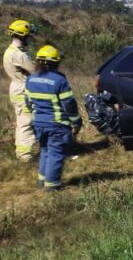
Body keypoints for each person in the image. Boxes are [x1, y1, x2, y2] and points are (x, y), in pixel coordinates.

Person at [23, 45, 82, 191]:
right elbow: (69, 104)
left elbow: (27, 102)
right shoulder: (59, 81)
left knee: (45, 150)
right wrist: (76, 121)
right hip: (57, 124)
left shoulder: (30, 79)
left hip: (39, 123)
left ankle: (42, 180)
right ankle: (52, 185)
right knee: (56, 153)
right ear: (55, 62)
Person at [3, 19, 39, 162]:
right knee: (26, 122)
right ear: (23, 35)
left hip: (17, 87)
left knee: (23, 121)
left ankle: (23, 152)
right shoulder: (19, 55)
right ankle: (24, 156)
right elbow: (35, 70)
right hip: (22, 89)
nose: (29, 38)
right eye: (28, 35)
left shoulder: (10, 51)